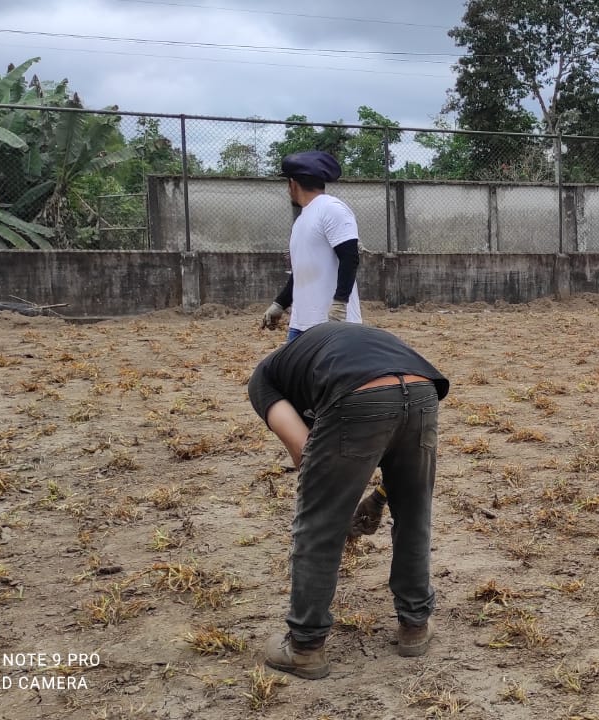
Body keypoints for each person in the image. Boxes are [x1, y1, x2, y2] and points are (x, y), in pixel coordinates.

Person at [247, 322, 450, 678]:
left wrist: (337, 498)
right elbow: (394, 438)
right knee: (414, 513)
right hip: (422, 389)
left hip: (356, 394)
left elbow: (306, 453)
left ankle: (305, 647)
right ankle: (415, 625)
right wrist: (378, 497)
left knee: (319, 524)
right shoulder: (336, 345)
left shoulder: (262, 380)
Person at [260, 150, 364, 342]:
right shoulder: (302, 219)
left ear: (293, 183)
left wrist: (340, 303)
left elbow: (350, 257)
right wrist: (280, 304)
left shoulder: (332, 208)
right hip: (300, 324)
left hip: (333, 325)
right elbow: (302, 272)